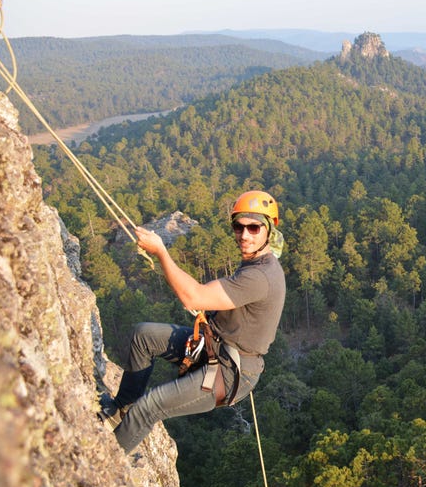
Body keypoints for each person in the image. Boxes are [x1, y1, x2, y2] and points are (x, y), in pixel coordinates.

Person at [99, 190, 286, 454]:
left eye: (254, 228)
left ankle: (105, 465)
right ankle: (122, 410)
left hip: (233, 371)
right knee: (143, 336)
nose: (245, 235)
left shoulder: (261, 275)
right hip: (213, 346)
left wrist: (161, 252)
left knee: (150, 407)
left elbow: (194, 296)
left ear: (268, 230)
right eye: (239, 226)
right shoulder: (257, 262)